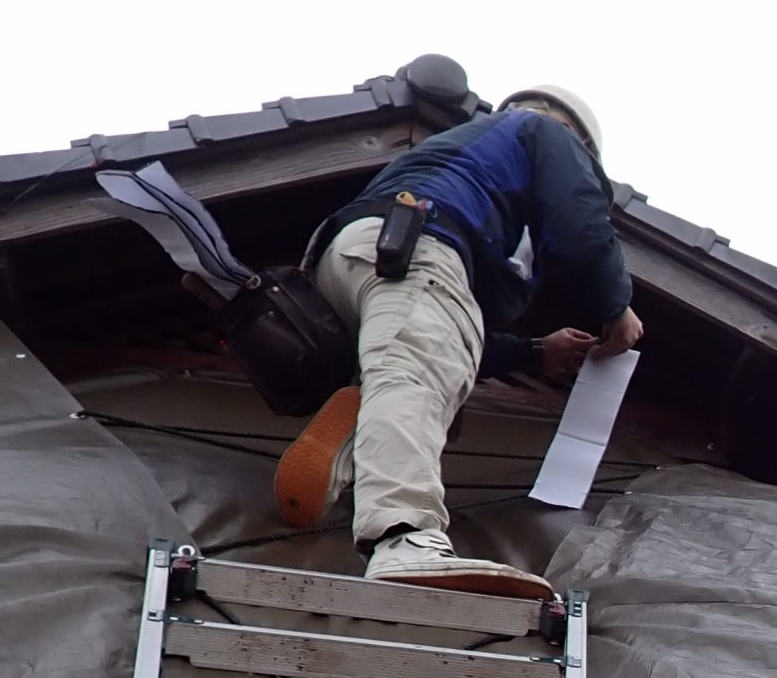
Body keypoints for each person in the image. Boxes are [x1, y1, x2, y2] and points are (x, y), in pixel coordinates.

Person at [271, 84, 642, 597]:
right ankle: (404, 536)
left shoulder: (469, 164)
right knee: (418, 375)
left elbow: (452, 335)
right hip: (417, 252)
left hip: (351, 261)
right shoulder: (541, 131)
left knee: (426, 368)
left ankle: (350, 442)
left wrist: (535, 353)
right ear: (573, 134)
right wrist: (615, 307)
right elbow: (580, 226)